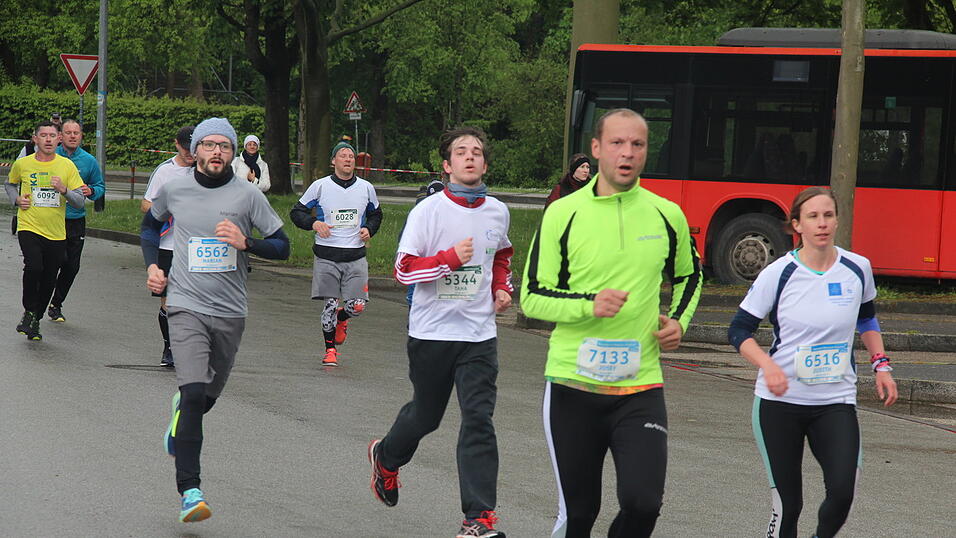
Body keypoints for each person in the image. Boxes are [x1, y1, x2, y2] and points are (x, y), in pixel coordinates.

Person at [520, 108, 702, 538]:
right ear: (597, 149)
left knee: (643, 504)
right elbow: (532, 297)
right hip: (572, 387)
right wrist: (588, 304)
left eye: (637, 144)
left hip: (640, 387)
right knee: (580, 514)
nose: (628, 153)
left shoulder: (666, 214)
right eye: (618, 143)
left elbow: (689, 274)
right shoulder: (563, 214)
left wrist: (678, 321)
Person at [140, 117, 290, 523]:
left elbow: (283, 246)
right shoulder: (175, 188)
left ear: (233, 152)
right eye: (209, 145)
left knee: (205, 397)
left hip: (230, 311)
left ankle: (183, 412)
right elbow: (151, 226)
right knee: (192, 395)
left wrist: (248, 243)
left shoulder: (247, 195)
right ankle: (190, 489)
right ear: (197, 150)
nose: (216, 152)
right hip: (185, 305)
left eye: (224, 146)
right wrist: (153, 267)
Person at [727, 186, 898, 538]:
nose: (822, 224)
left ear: (837, 220)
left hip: (835, 401)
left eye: (828, 215)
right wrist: (767, 365)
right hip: (779, 403)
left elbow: (866, 319)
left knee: (842, 494)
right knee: (789, 506)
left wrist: (880, 364)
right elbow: (738, 331)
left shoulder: (857, 268)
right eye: (813, 217)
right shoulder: (778, 273)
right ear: (797, 226)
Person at [368, 126, 513, 538]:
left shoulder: (497, 212)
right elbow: (403, 270)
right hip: (432, 333)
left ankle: (477, 519)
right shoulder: (428, 212)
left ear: (485, 163)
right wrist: (448, 258)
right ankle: (387, 457)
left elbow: (501, 254)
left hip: (479, 335)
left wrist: (502, 287)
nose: (470, 157)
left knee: (479, 420)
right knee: (427, 416)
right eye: (461, 152)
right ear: (447, 165)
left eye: (478, 152)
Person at [290, 139, 382, 367]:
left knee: (358, 306)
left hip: (355, 256)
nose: (348, 159)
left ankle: (343, 317)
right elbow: (296, 212)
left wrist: (369, 229)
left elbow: (376, 215)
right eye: (342, 155)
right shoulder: (320, 186)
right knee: (329, 303)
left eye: (351, 156)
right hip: (326, 255)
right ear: (333, 161)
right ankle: (330, 350)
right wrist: (313, 224)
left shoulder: (366, 188)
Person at [5, 120, 87, 340]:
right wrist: (16, 200)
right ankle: (29, 310)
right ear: (35, 139)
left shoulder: (67, 166)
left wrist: (64, 189)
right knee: (33, 266)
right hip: (29, 226)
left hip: (56, 232)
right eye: (44, 135)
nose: (48, 140)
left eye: (53, 136)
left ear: (58, 139)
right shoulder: (23, 164)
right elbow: (10, 184)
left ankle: (35, 320)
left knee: (50, 278)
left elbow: (80, 202)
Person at [141, 125, 195, 367]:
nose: (189, 154)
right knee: (169, 301)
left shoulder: (209, 171)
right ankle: (170, 347)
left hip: (197, 248)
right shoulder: (165, 171)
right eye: (185, 148)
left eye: (194, 149)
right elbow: (145, 205)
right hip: (168, 246)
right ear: (176, 144)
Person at [47, 119, 105, 322]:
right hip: (53, 218)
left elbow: (100, 187)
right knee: (53, 262)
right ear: (60, 136)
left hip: (75, 220)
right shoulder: (51, 157)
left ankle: (56, 304)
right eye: (68, 132)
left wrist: (93, 191)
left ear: (81, 136)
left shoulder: (88, 161)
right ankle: (41, 298)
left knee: (72, 266)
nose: (73, 136)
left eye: (76, 133)